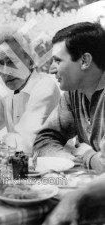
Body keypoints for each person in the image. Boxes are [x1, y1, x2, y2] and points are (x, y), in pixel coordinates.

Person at [33, 22, 105, 173]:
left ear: (85, 61)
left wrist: (87, 155)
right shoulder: (73, 95)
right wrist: (69, 160)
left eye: (58, 60)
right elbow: (44, 139)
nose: (51, 69)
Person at [0, 26, 61, 154]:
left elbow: (27, 142)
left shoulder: (45, 87)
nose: (6, 71)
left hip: (59, 167)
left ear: (29, 60)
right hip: (25, 167)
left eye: (11, 61)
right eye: (0, 64)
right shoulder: (6, 92)